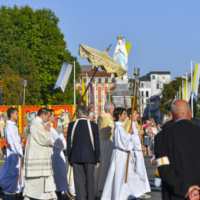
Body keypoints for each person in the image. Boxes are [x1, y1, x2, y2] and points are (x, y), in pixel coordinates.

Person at [155, 99, 200, 200]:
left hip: (174, 194)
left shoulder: (162, 137)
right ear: (191, 113)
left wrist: (185, 190)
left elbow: (163, 168)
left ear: (171, 114)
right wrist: (196, 191)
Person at [101, 107, 147, 200]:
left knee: (127, 175)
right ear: (119, 115)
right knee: (119, 177)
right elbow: (123, 144)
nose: (126, 116)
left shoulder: (120, 127)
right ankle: (117, 196)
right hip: (120, 155)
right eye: (124, 114)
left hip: (122, 155)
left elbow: (124, 141)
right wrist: (130, 134)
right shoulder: (119, 128)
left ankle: (127, 194)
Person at [67, 105, 100, 200]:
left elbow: (69, 143)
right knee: (90, 181)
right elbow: (96, 144)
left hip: (75, 156)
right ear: (88, 114)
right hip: (90, 157)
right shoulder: (93, 126)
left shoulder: (71, 125)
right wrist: (97, 159)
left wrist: (69, 157)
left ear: (79, 113)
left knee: (78, 182)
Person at [23, 108, 57, 200]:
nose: (49, 118)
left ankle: (51, 196)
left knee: (46, 179)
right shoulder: (36, 124)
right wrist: (47, 130)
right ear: (43, 115)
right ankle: (28, 196)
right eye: (48, 116)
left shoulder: (37, 123)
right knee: (34, 182)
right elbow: (46, 140)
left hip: (40, 157)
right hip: (37, 157)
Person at [0, 107, 24, 199]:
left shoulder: (13, 125)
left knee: (16, 173)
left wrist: (20, 138)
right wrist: (19, 146)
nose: (18, 115)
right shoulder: (9, 126)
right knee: (12, 173)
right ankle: (2, 186)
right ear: (12, 114)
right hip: (13, 152)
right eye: (16, 113)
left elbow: (15, 139)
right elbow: (11, 141)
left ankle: (18, 192)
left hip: (15, 151)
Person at [127, 108, 151, 199]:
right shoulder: (130, 125)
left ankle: (141, 190)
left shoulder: (134, 124)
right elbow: (132, 139)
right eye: (135, 113)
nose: (137, 116)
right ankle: (138, 191)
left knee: (141, 170)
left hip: (138, 150)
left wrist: (141, 145)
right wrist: (139, 135)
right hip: (135, 151)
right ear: (130, 115)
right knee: (138, 171)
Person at [94, 102, 115, 197]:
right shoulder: (108, 120)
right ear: (110, 110)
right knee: (106, 167)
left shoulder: (102, 118)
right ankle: (103, 189)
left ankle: (98, 190)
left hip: (101, 144)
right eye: (114, 109)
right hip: (108, 145)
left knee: (100, 168)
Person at [47, 109, 68, 199]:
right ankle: (57, 191)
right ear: (48, 117)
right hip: (54, 154)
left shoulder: (51, 127)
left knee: (58, 173)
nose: (55, 117)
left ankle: (58, 190)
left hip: (55, 153)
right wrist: (63, 133)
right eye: (53, 115)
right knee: (57, 173)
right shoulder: (50, 128)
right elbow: (59, 143)